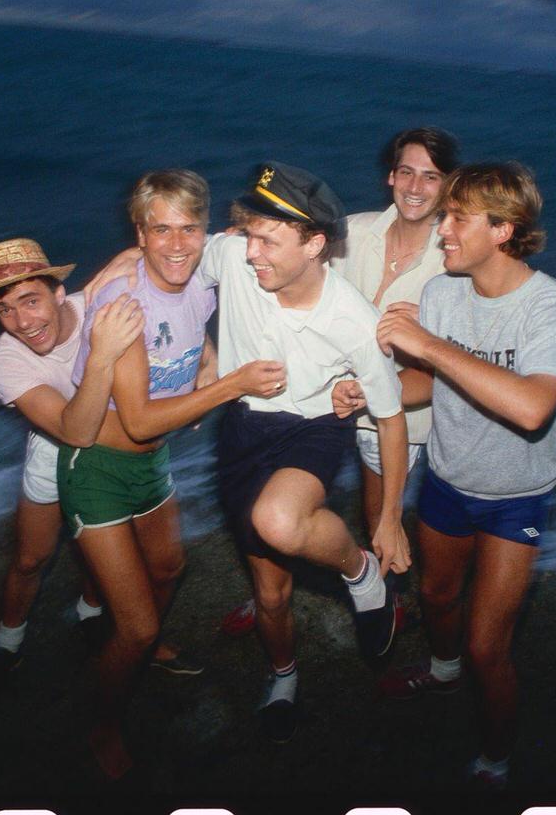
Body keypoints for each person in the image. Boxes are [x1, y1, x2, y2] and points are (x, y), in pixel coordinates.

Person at [342, 162, 556, 790]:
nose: (441, 229)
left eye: (457, 218)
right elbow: (429, 381)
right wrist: (370, 392)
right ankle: (442, 672)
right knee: (436, 596)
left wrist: (427, 344)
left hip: (516, 496)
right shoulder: (444, 293)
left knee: (487, 647)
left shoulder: (554, 307)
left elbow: (533, 407)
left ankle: (495, 759)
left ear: (503, 230)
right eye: (444, 215)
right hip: (447, 480)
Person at [60, 169, 286, 778]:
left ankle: (138, 641)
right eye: (160, 231)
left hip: (153, 461)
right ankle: (103, 722)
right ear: (140, 233)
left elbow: (246, 252)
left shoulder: (202, 274)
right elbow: (136, 420)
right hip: (98, 466)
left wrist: (207, 358)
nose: (177, 244)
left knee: (167, 568)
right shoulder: (123, 306)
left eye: (189, 228)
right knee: (135, 627)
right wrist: (231, 384)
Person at [196, 161, 412, 744]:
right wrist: (205, 352)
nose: (251, 253)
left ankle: (361, 574)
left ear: (315, 244)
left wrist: (390, 518)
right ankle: (284, 675)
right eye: (250, 235)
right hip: (242, 429)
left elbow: (391, 418)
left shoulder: (353, 320)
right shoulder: (234, 257)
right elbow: (171, 263)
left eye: (268, 240)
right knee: (270, 594)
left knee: (279, 520)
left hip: (313, 428)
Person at [219, 127, 460, 639]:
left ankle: (385, 599)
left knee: (381, 520)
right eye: (407, 172)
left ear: (448, 185)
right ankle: (272, 593)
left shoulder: (455, 263)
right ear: (390, 176)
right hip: (324, 399)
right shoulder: (351, 231)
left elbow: (453, 369)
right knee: (285, 516)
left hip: (398, 409)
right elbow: (282, 271)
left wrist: (373, 386)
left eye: (431, 176)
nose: (415, 187)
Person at [0, 237, 146, 696]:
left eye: (31, 301)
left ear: (60, 292)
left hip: (117, 441)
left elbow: (171, 255)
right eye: (5, 310)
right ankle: (8, 641)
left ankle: (90, 610)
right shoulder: (4, 362)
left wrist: (207, 359)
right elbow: (72, 431)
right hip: (56, 444)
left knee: (104, 545)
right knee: (30, 559)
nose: (22, 322)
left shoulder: (99, 305)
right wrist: (102, 354)